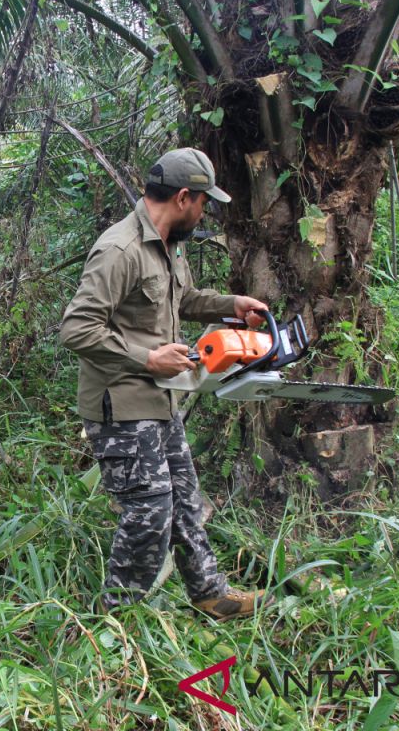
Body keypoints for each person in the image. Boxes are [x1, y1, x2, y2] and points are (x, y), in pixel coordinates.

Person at [60, 147, 273, 619]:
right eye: (203, 203)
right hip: (122, 407)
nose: (204, 212)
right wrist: (147, 357)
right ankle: (116, 624)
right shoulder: (120, 250)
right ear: (183, 198)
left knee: (184, 501)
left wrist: (230, 303)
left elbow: (184, 299)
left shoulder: (168, 245)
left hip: (161, 403)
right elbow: (76, 328)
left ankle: (210, 595)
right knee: (149, 514)